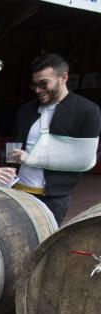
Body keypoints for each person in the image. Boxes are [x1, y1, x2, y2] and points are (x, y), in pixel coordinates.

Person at [9, 53, 101, 225]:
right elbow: (13, 144)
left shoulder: (87, 111)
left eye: (44, 84)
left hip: (53, 198)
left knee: (42, 249)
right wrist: (5, 176)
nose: (38, 90)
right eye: (34, 84)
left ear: (63, 78)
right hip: (16, 191)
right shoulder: (26, 110)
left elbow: (85, 161)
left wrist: (31, 159)